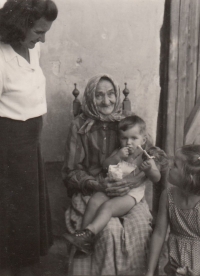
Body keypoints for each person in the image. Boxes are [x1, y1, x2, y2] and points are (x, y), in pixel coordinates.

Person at [62, 74, 163, 275]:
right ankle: (85, 241)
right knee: (108, 232)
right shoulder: (79, 126)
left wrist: (137, 177)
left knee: (140, 227)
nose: (106, 101)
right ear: (90, 98)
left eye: (110, 94)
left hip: (129, 189)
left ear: (117, 95)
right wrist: (98, 184)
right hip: (94, 189)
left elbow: (154, 155)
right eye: (99, 96)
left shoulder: (129, 122)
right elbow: (70, 172)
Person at [0, 1, 58, 275]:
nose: (42, 38)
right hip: (7, 150)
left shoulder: (33, 50)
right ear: (19, 26)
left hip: (30, 145)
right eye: (38, 31)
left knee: (27, 216)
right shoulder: (1, 59)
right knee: (11, 217)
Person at [64, 115, 165, 254]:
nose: (128, 142)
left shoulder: (146, 156)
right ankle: (82, 238)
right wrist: (117, 157)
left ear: (144, 139)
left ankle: (90, 232)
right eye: (124, 138)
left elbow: (157, 178)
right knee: (94, 200)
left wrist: (150, 169)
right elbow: (105, 165)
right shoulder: (119, 151)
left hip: (130, 194)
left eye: (134, 138)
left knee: (107, 207)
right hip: (112, 187)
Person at [146, 145, 200, 276]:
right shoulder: (168, 195)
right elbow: (159, 234)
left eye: (175, 165)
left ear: (189, 177)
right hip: (174, 263)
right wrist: (149, 272)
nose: (169, 166)